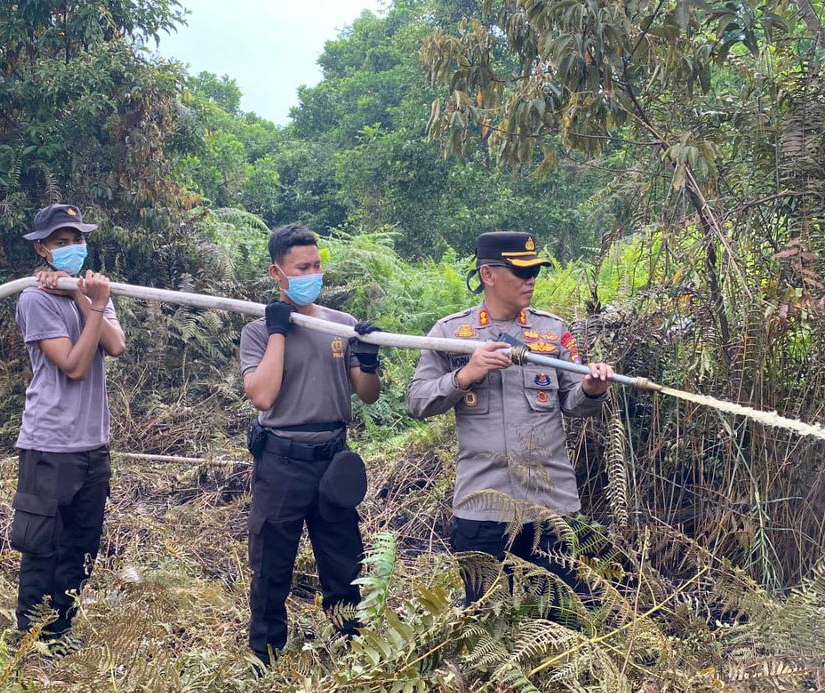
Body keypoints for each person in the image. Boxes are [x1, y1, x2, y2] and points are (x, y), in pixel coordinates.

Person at [406, 231, 615, 605]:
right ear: (488, 274)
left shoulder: (552, 332)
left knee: (560, 616)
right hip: (481, 507)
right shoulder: (452, 333)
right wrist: (464, 375)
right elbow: (418, 401)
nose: (530, 279)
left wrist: (593, 389)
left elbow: (574, 402)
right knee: (485, 620)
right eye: (520, 271)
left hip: (551, 506)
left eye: (534, 271)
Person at [239, 223, 384, 665]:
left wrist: (371, 359)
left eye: (317, 265)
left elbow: (368, 393)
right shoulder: (258, 330)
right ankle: (265, 656)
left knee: (345, 563)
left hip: (332, 460)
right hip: (282, 460)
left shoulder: (340, 326)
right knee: (272, 565)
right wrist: (280, 331)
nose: (312, 273)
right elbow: (262, 395)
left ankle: (351, 650)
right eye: (302, 267)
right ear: (277, 273)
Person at [11, 203, 125, 648]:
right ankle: (30, 640)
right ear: (42, 250)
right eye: (61, 242)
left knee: (81, 544)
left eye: (77, 239)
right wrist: (94, 306)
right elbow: (74, 366)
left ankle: (61, 632)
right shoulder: (34, 299)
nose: (73, 248)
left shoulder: (94, 293)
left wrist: (89, 298)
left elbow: (115, 345)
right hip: (50, 442)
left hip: (93, 442)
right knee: (43, 545)